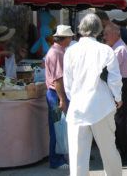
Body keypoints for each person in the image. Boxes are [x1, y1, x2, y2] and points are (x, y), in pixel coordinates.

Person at [63, 13, 123, 176]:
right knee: (109, 151)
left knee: (77, 157)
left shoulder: (70, 51)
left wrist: (73, 98)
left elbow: (67, 82)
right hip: (101, 105)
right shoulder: (105, 50)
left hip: (77, 107)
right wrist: (117, 98)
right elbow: (114, 78)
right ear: (99, 30)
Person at [103, 23, 127, 166]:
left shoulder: (118, 50)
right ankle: (126, 154)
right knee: (122, 122)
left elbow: (110, 70)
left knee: (122, 122)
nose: (104, 37)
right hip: (122, 85)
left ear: (115, 34)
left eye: (106, 34)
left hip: (122, 86)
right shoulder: (117, 47)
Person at [44, 25, 74, 170]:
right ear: (65, 38)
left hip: (56, 93)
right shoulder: (57, 53)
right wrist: (62, 99)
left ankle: (60, 157)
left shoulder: (58, 51)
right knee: (57, 127)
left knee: (59, 126)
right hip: (55, 93)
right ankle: (56, 160)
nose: (71, 39)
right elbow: (58, 80)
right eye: (70, 37)